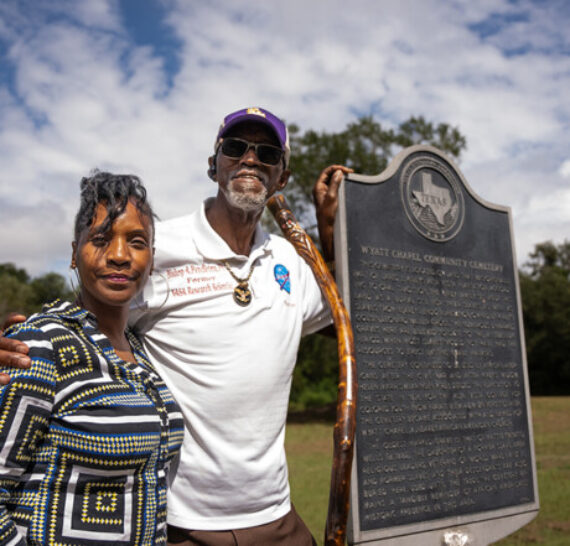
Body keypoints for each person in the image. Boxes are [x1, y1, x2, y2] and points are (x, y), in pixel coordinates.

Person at [0, 107, 351, 545]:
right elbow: (91, 308)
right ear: (213, 164)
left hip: (277, 515)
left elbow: (340, 320)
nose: (250, 159)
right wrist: (24, 339)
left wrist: (332, 232)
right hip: (184, 525)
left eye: (266, 152)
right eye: (236, 147)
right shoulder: (158, 245)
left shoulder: (289, 262)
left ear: (282, 177)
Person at [0, 172, 184, 545]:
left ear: (151, 259)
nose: (119, 255)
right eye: (100, 239)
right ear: (73, 254)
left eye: (137, 242)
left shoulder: (142, 354)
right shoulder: (41, 344)